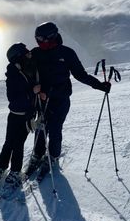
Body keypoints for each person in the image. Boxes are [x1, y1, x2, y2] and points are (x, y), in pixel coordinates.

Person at [26, 21, 111, 178]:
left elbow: (80, 74)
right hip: (42, 99)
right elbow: (28, 75)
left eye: (43, 39)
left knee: (55, 128)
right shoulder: (36, 53)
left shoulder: (66, 53)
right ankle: (37, 154)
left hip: (60, 99)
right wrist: (35, 90)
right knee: (40, 128)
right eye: (38, 39)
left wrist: (99, 85)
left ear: (52, 37)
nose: (41, 42)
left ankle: (53, 156)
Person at [0, 42, 40, 189]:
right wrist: (33, 91)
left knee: (14, 143)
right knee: (12, 142)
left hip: (23, 114)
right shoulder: (14, 74)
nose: (29, 53)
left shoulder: (26, 68)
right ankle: (8, 169)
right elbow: (15, 98)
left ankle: (8, 169)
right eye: (25, 52)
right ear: (18, 57)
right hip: (18, 115)